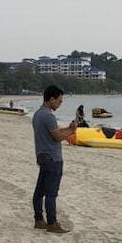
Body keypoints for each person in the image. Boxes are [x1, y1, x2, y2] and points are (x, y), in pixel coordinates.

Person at [32, 85, 78, 233]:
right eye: (59, 101)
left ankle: (39, 220)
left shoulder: (38, 114)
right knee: (51, 193)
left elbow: (54, 132)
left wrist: (68, 128)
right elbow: (57, 137)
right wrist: (71, 131)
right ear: (51, 99)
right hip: (53, 158)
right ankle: (52, 223)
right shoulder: (48, 115)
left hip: (42, 155)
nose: (60, 103)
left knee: (40, 191)